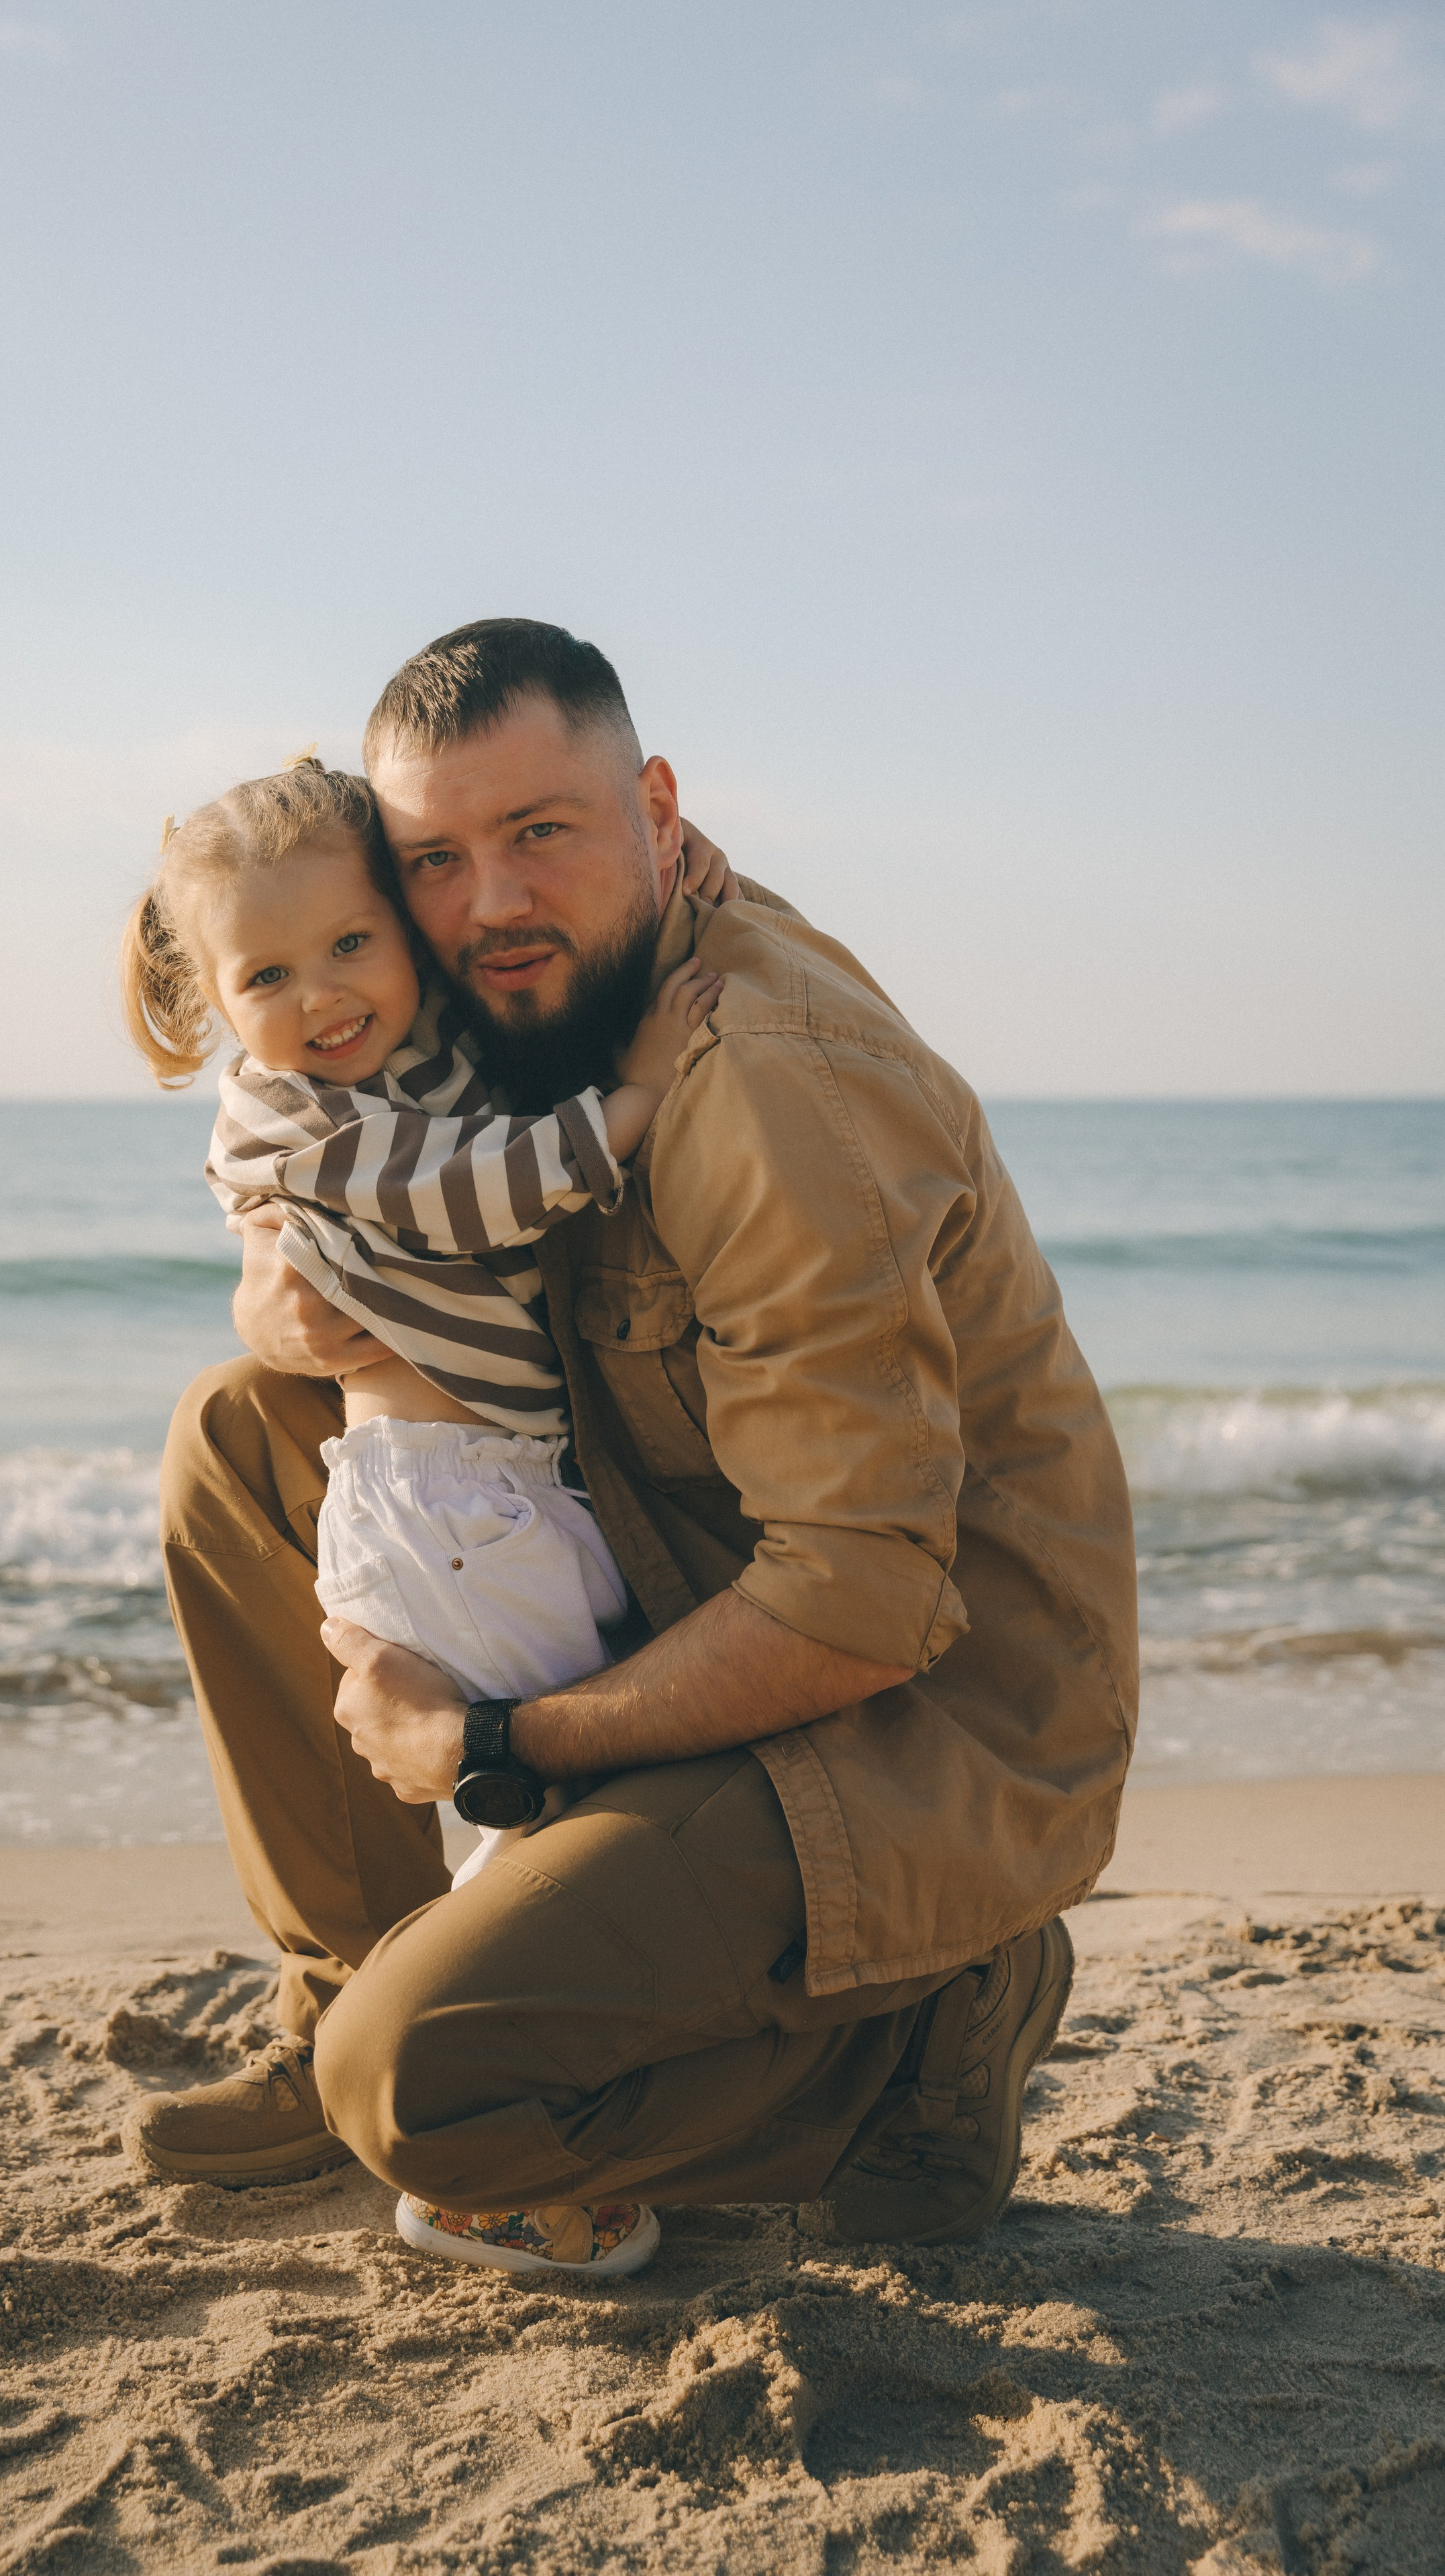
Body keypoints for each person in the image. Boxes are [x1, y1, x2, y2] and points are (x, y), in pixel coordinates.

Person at [128, 619, 1138, 2283]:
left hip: (910, 1725)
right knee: (237, 1432)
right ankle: (346, 1975)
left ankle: (926, 2035)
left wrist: (491, 1741)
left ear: (655, 811)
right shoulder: (527, 995)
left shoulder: (762, 1091)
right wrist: (274, 1279)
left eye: (542, 831)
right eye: (435, 858)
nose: (487, 904)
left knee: (417, 2090)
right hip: (688, 1592)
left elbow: (862, 1603)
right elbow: (334, 1145)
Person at [119, 754, 722, 1900]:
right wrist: (636, 1098)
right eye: (268, 976)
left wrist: (685, 869)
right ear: (217, 1003)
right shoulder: (293, 1107)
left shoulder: (420, 1033)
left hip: (513, 1494)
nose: (323, 998)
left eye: (351, 944)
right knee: (563, 1817)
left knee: (570, 1815)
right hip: (441, 1504)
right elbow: (476, 1186)